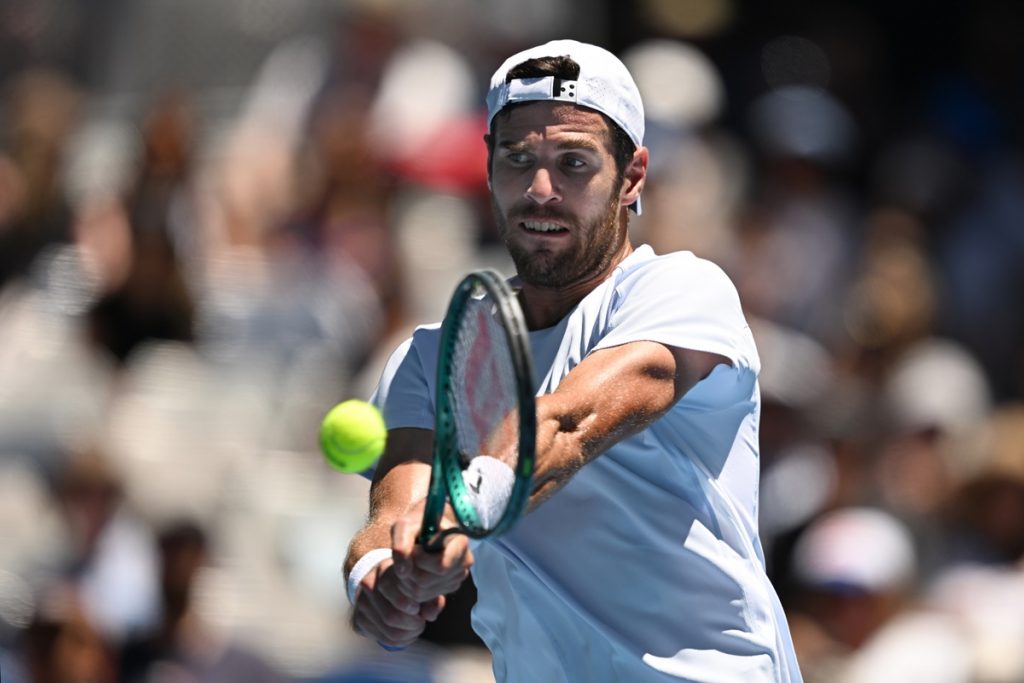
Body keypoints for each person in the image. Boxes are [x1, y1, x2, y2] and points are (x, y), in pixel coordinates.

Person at [343, 39, 803, 682]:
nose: (540, 190)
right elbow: (394, 512)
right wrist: (382, 577)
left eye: (574, 163)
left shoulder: (684, 291)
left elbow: (563, 426)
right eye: (518, 158)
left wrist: (460, 516)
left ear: (632, 177)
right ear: (488, 166)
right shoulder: (431, 355)